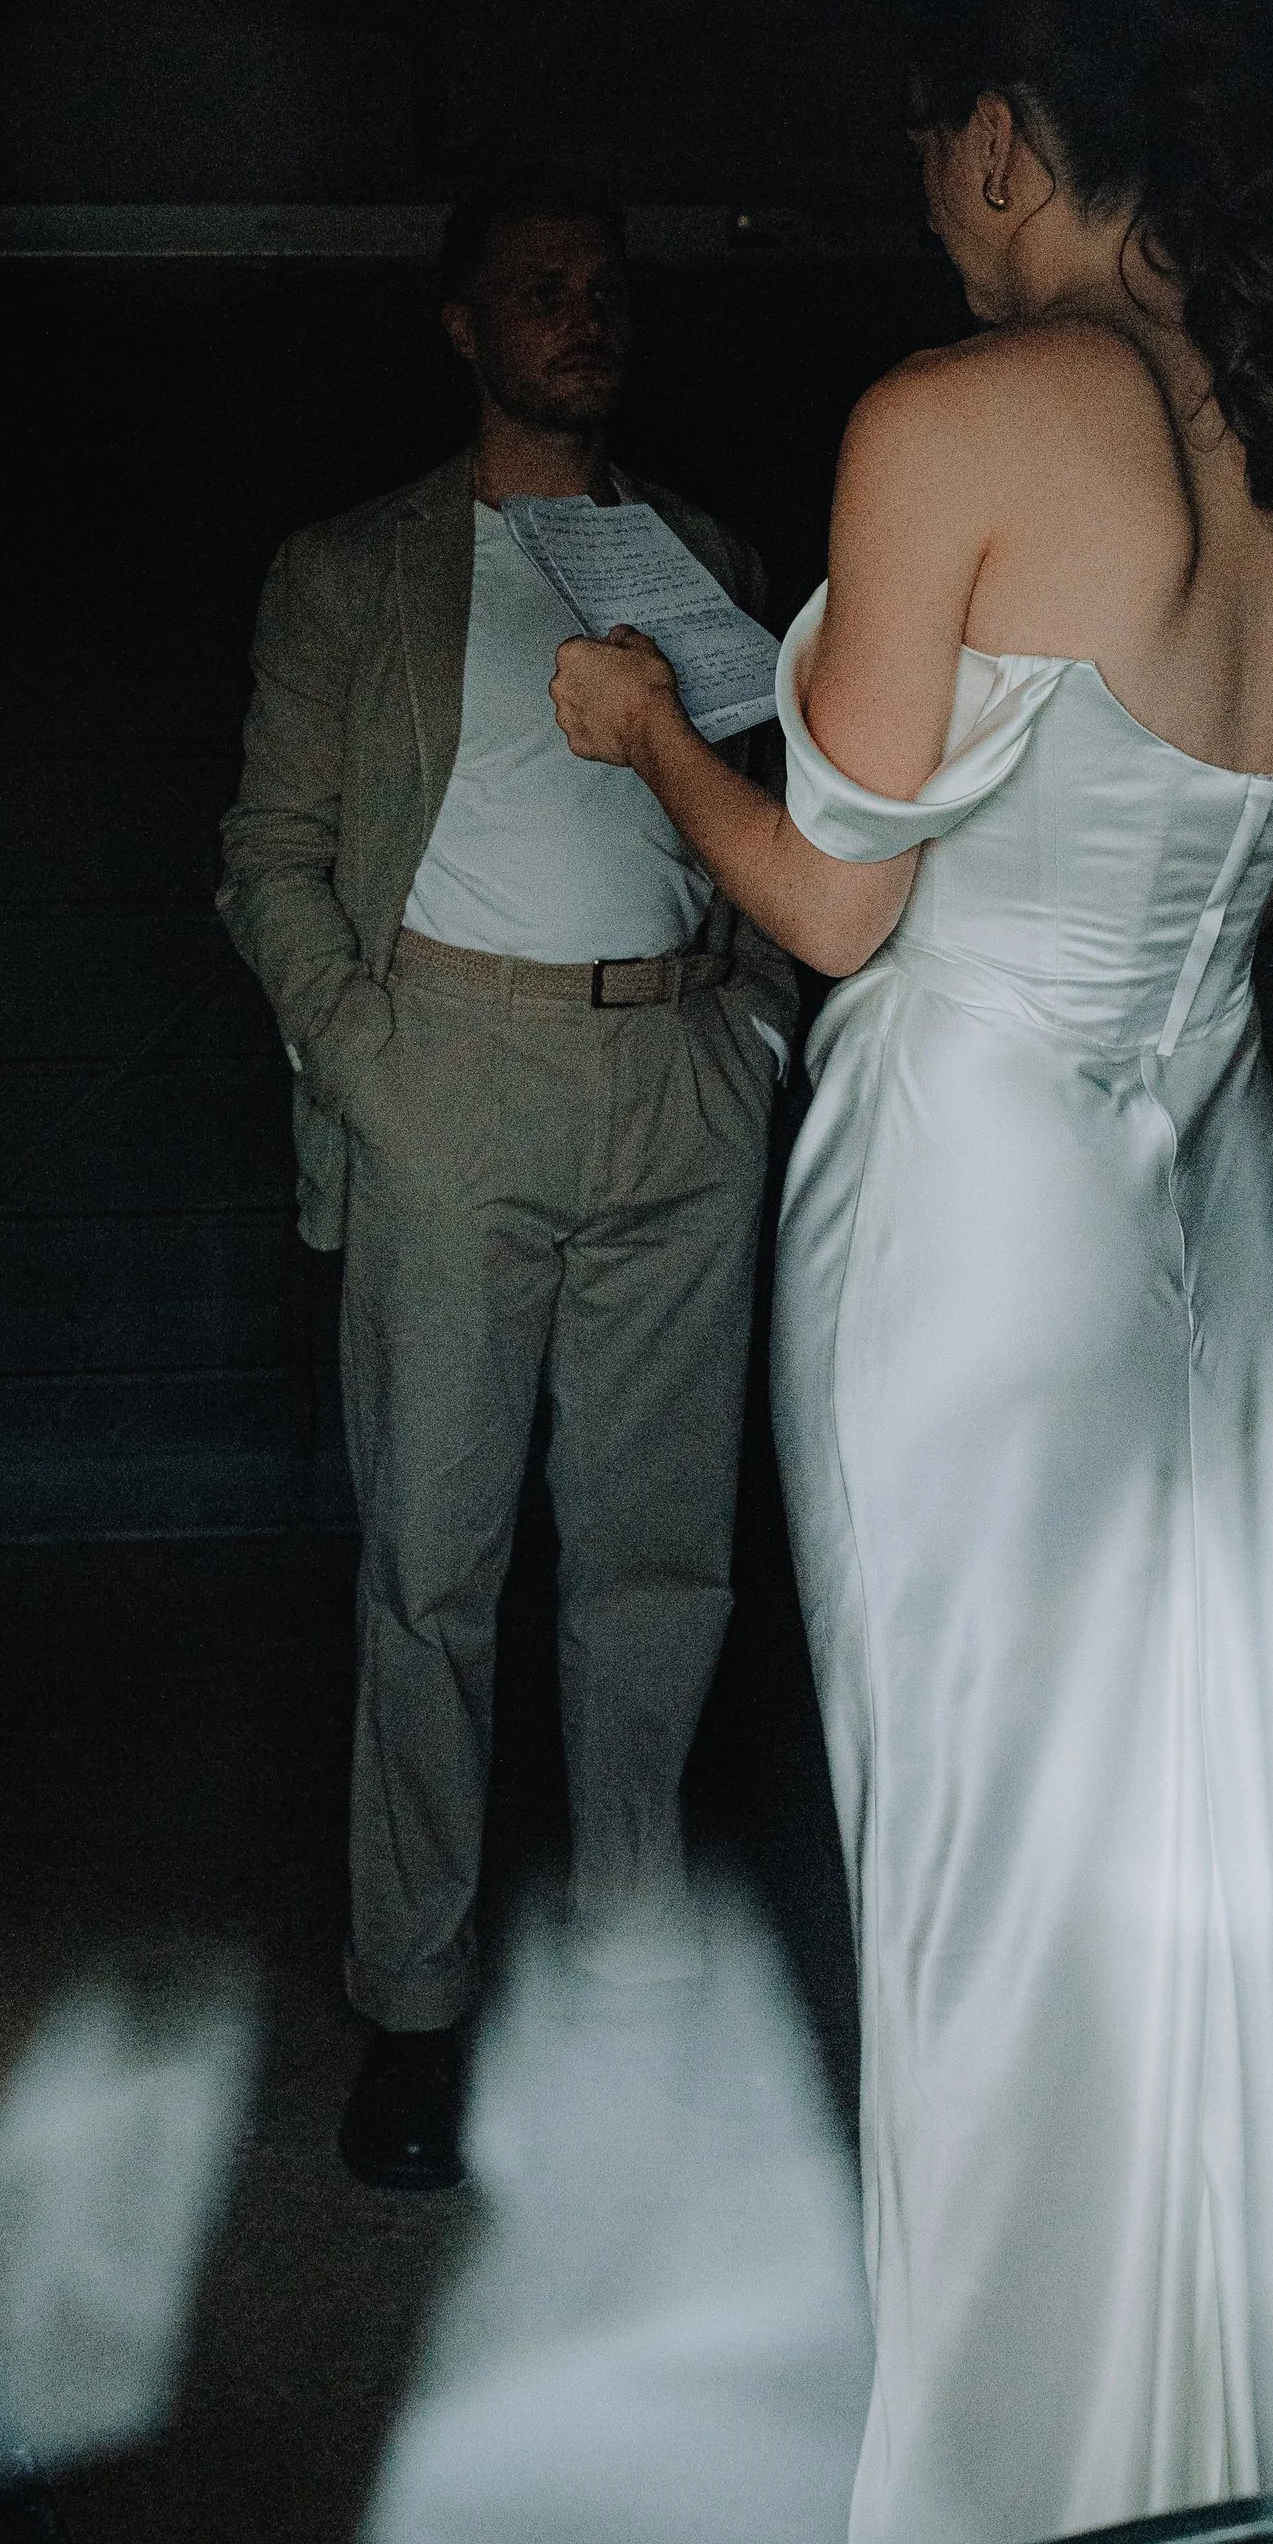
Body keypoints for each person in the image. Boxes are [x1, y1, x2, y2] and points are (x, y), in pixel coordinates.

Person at [550, 0, 1273, 2544]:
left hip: (970, 1192)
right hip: (1192, 1170)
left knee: (979, 1858)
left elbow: (831, 900)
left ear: (1008, 144)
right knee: (1174, 1838)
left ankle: (991, 2542)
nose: (926, 209)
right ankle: (1184, 2455)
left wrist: (649, 731)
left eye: (932, 152)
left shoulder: (951, 416)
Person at [218, 172, 799, 2192]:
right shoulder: (353, 569)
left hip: (676, 1081)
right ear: (461, 326)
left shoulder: (699, 556)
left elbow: (769, 829)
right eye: (538, 291)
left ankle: (633, 2000)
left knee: (658, 1571)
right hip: (447, 1084)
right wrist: (376, 1070)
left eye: (604, 287)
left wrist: (745, 1037)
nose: (581, 314)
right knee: (434, 1571)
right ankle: (419, 2009)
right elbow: (267, 856)